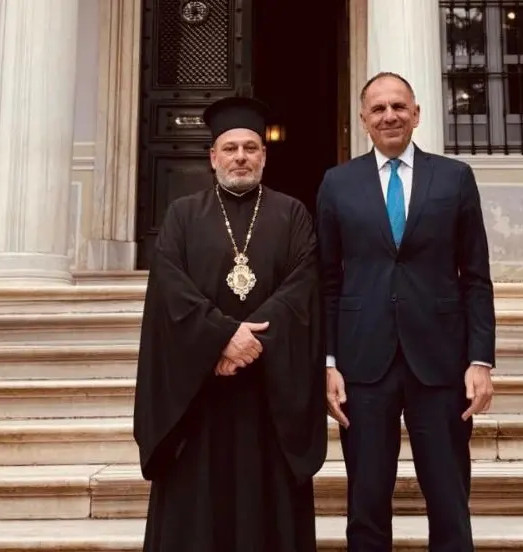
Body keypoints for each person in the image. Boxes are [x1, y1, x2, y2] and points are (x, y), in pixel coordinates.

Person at [133, 95, 328, 552]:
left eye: (250, 148)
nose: (241, 157)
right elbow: (170, 289)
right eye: (230, 148)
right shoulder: (182, 215)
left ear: (264, 156)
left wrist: (247, 342)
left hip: (268, 393)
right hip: (200, 393)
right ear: (213, 157)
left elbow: (302, 287)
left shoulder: (292, 214)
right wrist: (221, 338)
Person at [316, 72, 496, 551]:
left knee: (449, 498)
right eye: (378, 109)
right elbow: (327, 281)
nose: (389, 116)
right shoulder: (337, 183)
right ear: (363, 120)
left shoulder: (455, 178)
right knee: (367, 502)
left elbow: (476, 277)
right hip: (363, 363)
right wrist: (328, 362)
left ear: (416, 114)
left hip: (441, 362)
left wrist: (480, 359)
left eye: (399, 106)